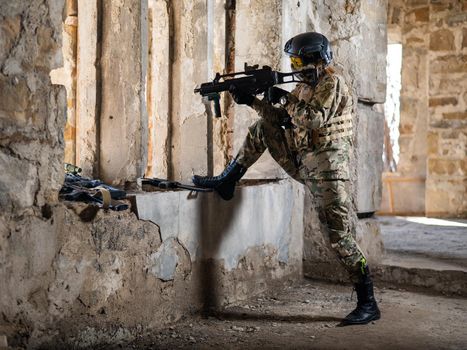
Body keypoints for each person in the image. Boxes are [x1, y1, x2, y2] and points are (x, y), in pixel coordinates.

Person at [192, 32, 380, 326]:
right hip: (304, 161)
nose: (294, 66)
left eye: (299, 60)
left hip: (328, 171)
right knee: (261, 127)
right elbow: (282, 120)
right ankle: (228, 180)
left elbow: (314, 119)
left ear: (318, 59)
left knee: (338, 237)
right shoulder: (305, 88)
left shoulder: (332, 83)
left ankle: (368, 303)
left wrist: (283, 96)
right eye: (292, 60)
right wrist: (253, 102)